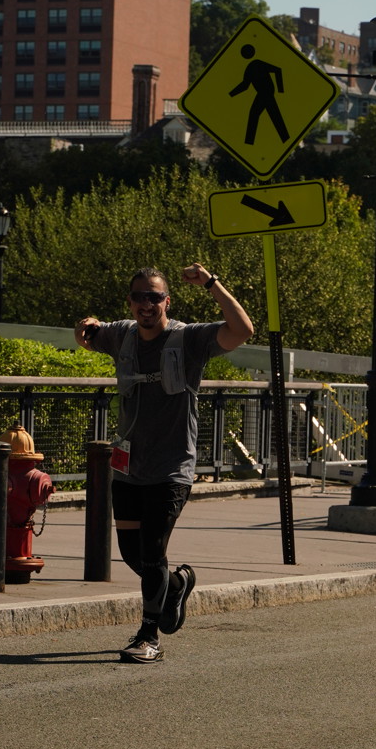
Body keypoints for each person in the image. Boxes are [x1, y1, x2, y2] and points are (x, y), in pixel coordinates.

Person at [74, 262, 253, 664]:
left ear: (166, 302)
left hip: (172, 468)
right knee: (132, 554)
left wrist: (211, 283)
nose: (146, 304)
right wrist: (83, 329)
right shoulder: (122, 335)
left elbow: (243, 330)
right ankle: (176, 584)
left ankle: (148, 637)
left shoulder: (190, 339)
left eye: (154, 297)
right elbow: (89, 335)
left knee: (153, 551)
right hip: (128, 467)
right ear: (130, 302)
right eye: (139, 297)